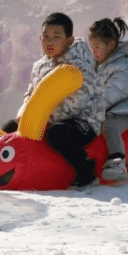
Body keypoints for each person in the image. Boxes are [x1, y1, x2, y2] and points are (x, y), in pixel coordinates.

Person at [7, 12, 99, 188]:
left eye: (56, 37)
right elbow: (30, 94)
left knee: (58, 134)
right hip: (46, 118)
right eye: (45, 37)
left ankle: (86, 171)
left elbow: (78, 102)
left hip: (82, 120)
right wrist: (24, 114)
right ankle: (14, 170)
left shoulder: (78, 65)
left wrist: (42, 116)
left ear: (69, 41)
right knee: (10, 129)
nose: (49, 42)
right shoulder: (39, 66)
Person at [88, 17, 128, 183]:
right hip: (104, 109)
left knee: (109, 124)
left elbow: (109, 96)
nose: (93, 52)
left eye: (97, 47)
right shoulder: (98, 64)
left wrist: (87, 109)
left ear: (111, 45)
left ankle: (118, 161)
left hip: (126, 111)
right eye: (91, 48)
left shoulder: (124, 67)